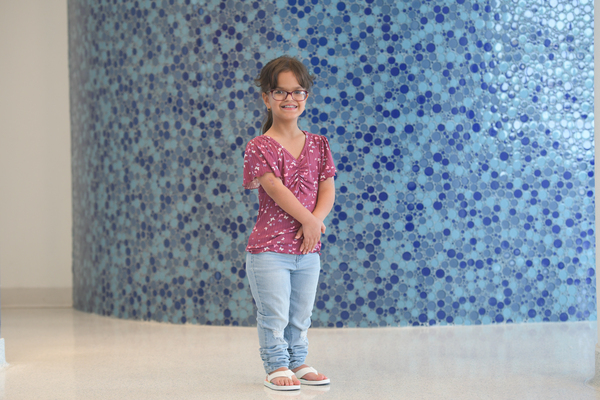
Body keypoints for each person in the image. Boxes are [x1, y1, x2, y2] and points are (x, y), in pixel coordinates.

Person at [242, 56, 336, 391]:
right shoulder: (259, 147)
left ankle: (298, 361)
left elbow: (327, 188)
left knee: (300, 315)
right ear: (266, 98)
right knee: (275, 314)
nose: (290, 99)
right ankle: (276, 365)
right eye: (280, 92)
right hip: (269, 250)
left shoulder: (319, 144)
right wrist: (309, 221)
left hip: (308, 248)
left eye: (298, 92)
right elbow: (275, 189)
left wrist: (315, 223)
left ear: (306, 96)